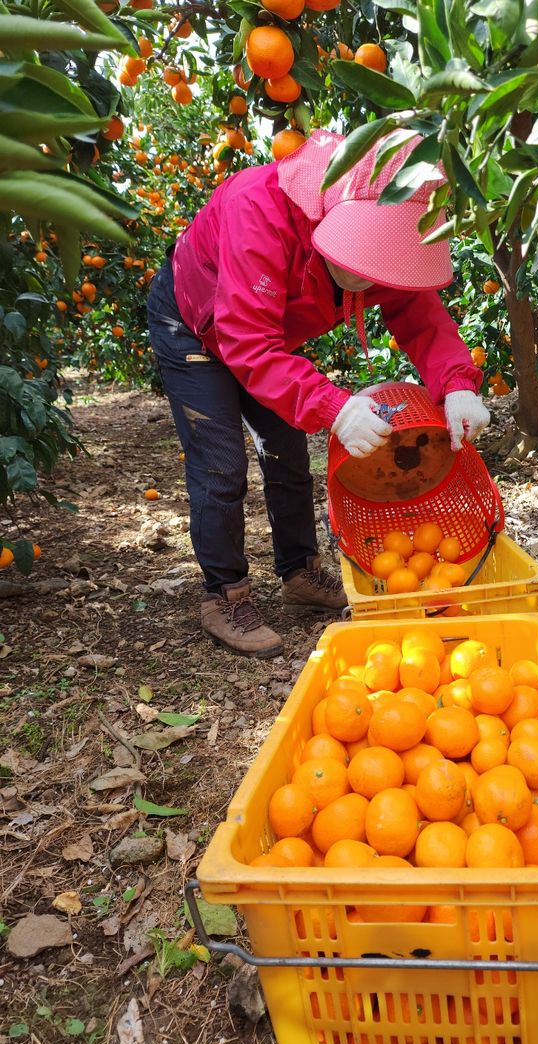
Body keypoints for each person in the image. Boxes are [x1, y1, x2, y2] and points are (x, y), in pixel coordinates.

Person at [146, 129, 491, 658]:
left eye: (379, 260)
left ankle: (299, 574)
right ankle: (225, 594)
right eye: (361, 253)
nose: (366, 275)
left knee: (287, 457)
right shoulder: (256, 210)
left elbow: (421, 317)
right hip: (193, 324)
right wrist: (332, 405)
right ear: (331, 212)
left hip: (266, 336)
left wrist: (457, 386)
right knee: (221, 467)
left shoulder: (390, 231)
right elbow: (245, 339)